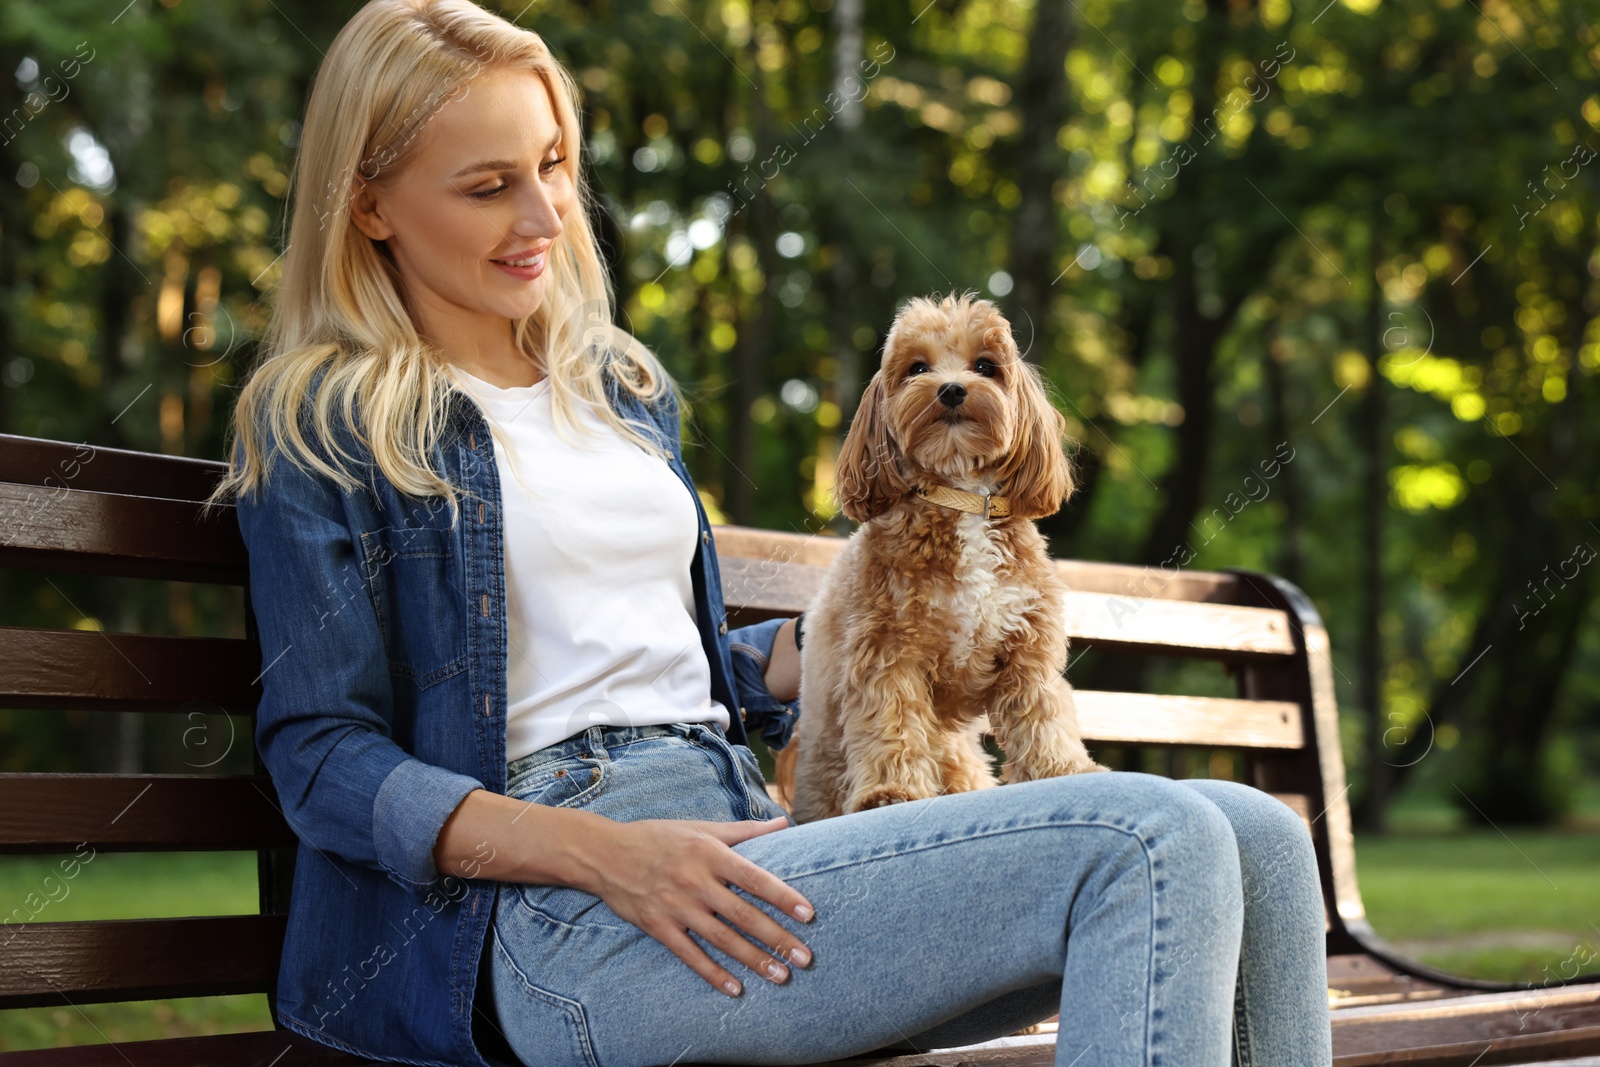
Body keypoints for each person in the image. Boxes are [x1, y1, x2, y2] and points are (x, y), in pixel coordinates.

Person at [207, 1, 1335, 1064]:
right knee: (1150, 837)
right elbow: (321, 755)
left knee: (1261, 840)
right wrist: (608, 855)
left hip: (744, 836)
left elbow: (663, 671)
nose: (547, 214)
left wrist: (841, 629)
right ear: (367, 203)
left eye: (554, 165)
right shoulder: (328, 421)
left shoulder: (613, 390)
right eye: (490, 184)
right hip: (550, 913)